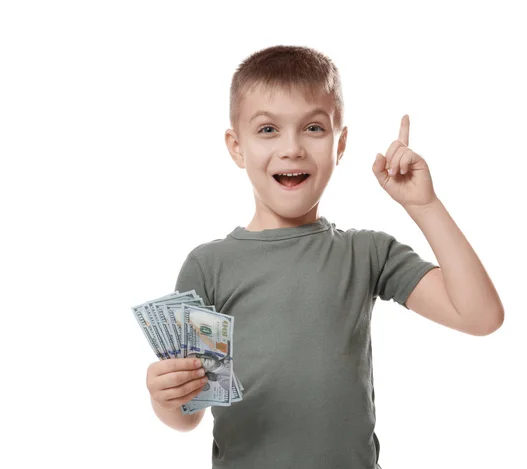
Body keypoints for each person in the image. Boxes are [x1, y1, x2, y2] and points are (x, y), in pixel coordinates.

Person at [145, 45, 504, 469]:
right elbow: (189, 414)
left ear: (340, 143)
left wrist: (423, 206)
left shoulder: (367, 253)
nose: (292, 148)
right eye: (267, 130)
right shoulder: (208, 267)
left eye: (313, 128)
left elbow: (480, 316)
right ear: (236, 146)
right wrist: (167, 399)